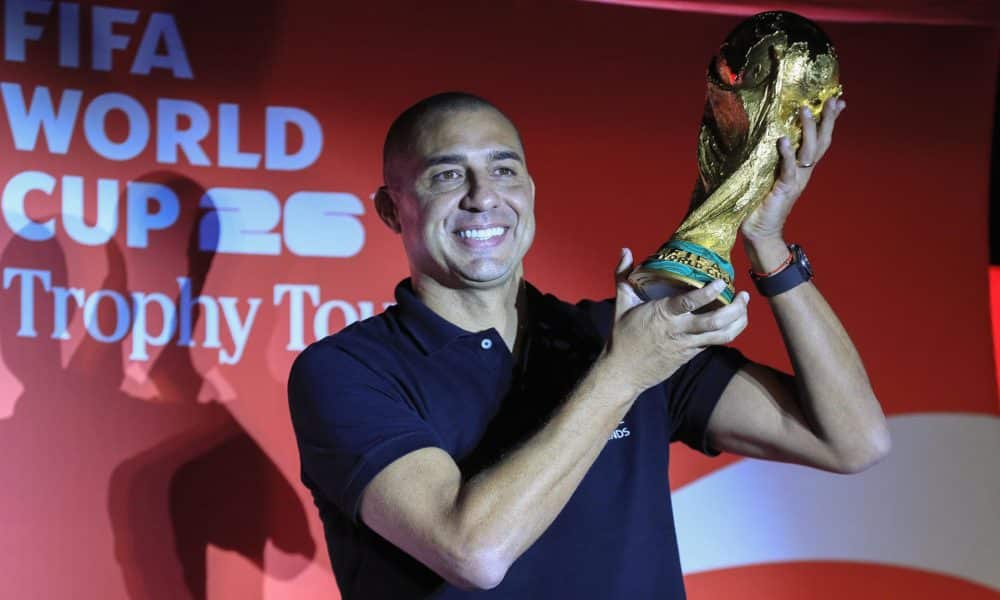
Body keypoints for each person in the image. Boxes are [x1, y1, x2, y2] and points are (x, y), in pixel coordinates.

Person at [287, 92, 890, 598]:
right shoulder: (347, 370)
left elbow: (852, 440)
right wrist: (622, 375)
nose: (482, 195)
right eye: (447, 175)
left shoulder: (613, 334)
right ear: (392, 209)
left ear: (529, 190)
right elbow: (475, 552)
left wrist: (765, 242)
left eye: (504, 169)